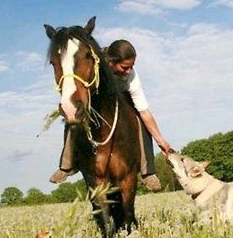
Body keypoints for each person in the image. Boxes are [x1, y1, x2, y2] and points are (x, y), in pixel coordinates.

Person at [50, 39, 171, 191]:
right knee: (74, 115)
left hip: (123, 98)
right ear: (111, 62)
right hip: (97, 97)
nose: (129, 71)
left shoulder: (131, 76)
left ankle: (148, 172)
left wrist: (161, 140)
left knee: (140, 119)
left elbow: (144, 111)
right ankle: (67, 166)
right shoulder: (96, 65)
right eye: (125, 67)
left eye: (131, 66)